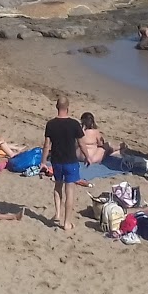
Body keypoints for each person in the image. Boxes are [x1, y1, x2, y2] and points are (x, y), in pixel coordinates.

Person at [43, 97, 85, 230]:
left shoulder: (51, 124)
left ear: (56, 107)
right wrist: (88, 156)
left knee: (57, 186)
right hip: (70, 161)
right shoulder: (74, 124)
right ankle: (67, 222)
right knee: (70, 191)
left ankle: (57, 214)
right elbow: (81, 143)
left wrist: (43, 161)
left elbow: (46, 145)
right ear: (68, 107)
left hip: (56, 160)